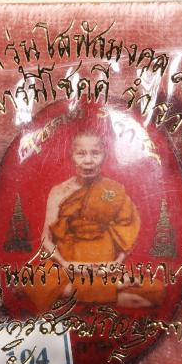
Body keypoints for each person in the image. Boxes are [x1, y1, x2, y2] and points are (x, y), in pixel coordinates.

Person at [23, 131, 165, 312]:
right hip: (69, 264)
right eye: (81, 154)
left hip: (104, 266)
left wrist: (117, 262)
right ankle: (110, 289)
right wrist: (66, 264)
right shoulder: (59, 192)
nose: (88, 160)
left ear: (105, 155)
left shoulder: (113, 190)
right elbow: (46, 238)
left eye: (95, 153)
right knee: (31, 280)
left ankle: (79, 293)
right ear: (72, 156)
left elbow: (127, 227)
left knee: (156, 290)